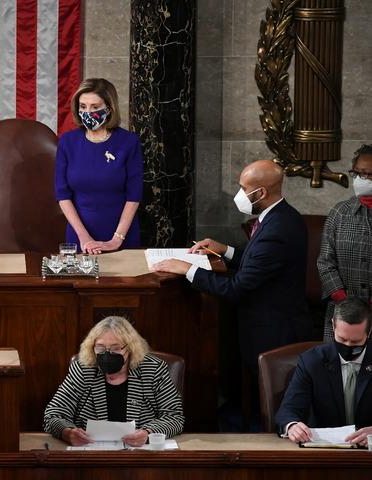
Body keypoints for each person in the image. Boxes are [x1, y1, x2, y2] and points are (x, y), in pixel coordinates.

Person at [152, 159, 312, 368]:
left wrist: (187, 269)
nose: (239, 194)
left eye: (244, 189)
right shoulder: (281, 215)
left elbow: (235, 288)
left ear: (261, 193)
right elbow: (260, 262)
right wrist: (225, 250)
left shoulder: (278, 229)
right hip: (269, 323)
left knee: (263, 388)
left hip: (273, 333)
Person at [43, 316, 184, 446]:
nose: (107, 354)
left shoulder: (153, 370)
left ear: (130, 348)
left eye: (115, 348)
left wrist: (148, 433)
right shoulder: (83, 369)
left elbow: (174, 417)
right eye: (100, 348)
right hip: (91, 453)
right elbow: (53, 414)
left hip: (139, 453)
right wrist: (67, 433)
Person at [55, 78, 144, 255]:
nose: (88, 112)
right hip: (79, 237)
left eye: (95, 107)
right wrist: (84, 237)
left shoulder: (129, 142)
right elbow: (62, 194)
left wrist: (116, 240)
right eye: (83, 106)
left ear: (109, 108)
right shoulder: (67, 142)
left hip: (121, 236)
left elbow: (134, 195)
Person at [275, 298, 371, 447]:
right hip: (324, 450)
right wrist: (292, 426)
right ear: (333, 326)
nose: (348, 346)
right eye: (342, 339)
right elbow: (288, 411)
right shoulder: (311, 361)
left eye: (356, 342)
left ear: (369, 332)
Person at [318, 144, 372, 340]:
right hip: (342, 314)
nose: (361, 180)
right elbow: (325, 262)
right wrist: (342, 299)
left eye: (368, 174)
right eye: (357, 173)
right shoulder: (340, 213)